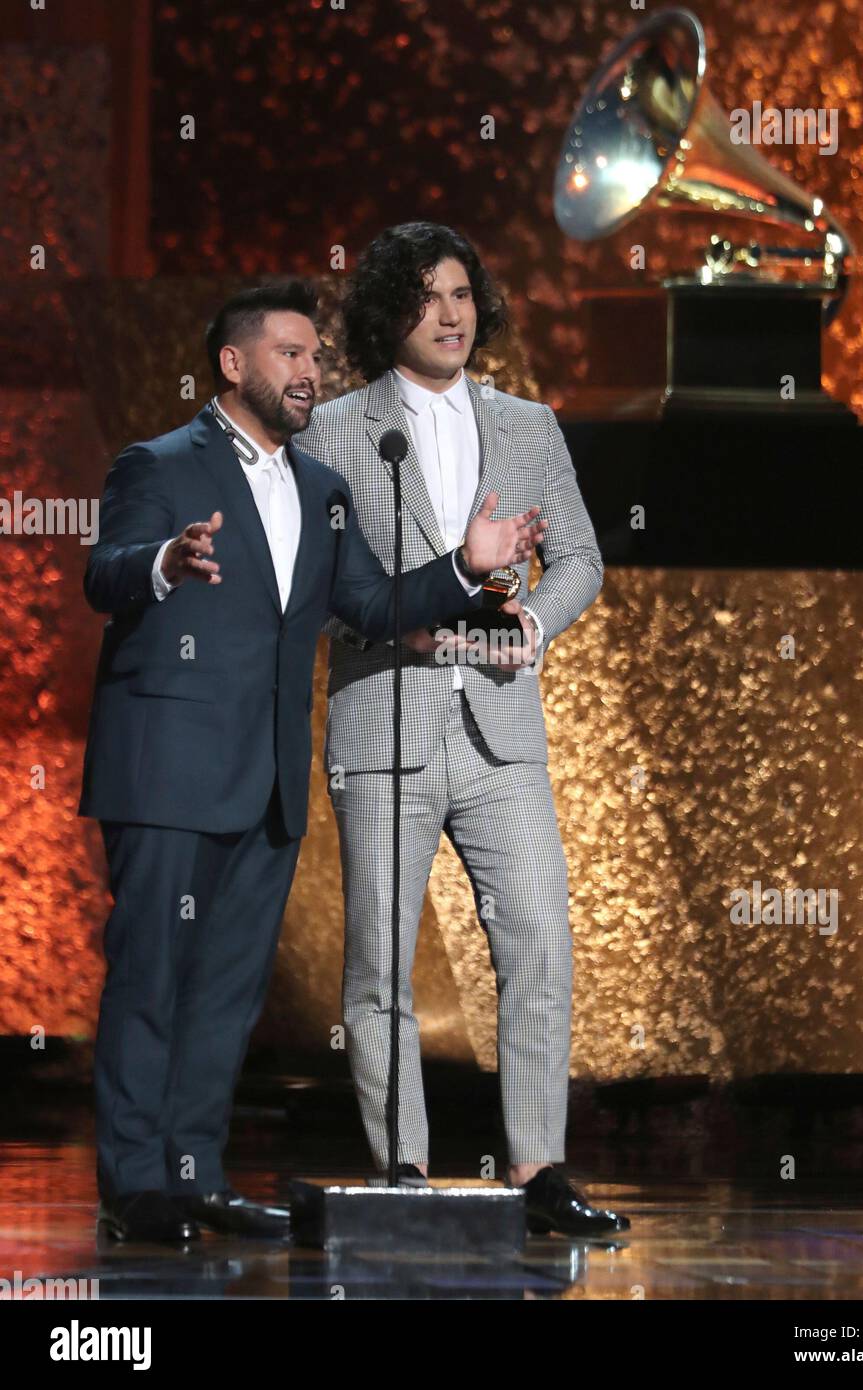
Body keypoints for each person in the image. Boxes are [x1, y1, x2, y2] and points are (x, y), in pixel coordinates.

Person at [79, 279, 546, 1245]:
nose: (309, 373)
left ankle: (195, 1174)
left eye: (315, 357)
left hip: (268, 782)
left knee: (224, 990)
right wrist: (164, 562)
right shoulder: (159, 463)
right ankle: (134, 1186)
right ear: (233, 365)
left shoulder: (326, 491)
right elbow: (104, 571)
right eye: (289, 355)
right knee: (151, 976)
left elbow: (371, 609)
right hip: (167, 771)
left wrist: (465, 564)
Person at [297, 225, 629, 1235]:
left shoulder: (528, 423)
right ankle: (401, 1167)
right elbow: (332, 591)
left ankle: (539, 1168)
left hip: (499, 729)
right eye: (425, 295)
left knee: (538, 941)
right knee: (379, 964)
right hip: (384, 719)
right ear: (385, 312)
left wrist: (533, 618)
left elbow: (580, 557)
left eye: (461, 294)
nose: (449, 314)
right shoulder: (335, 429)